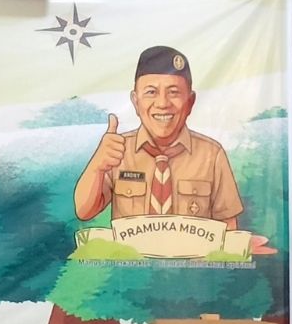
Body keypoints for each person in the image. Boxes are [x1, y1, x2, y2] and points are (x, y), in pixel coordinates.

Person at [74, 46, 244, 225]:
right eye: (151, 92)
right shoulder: (117, 150)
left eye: (173, 92)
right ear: (135, 101)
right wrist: (97, 166)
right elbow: (84, 211)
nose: (162, 103)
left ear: (190, 102)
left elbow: (228, 226)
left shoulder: (212, 155)